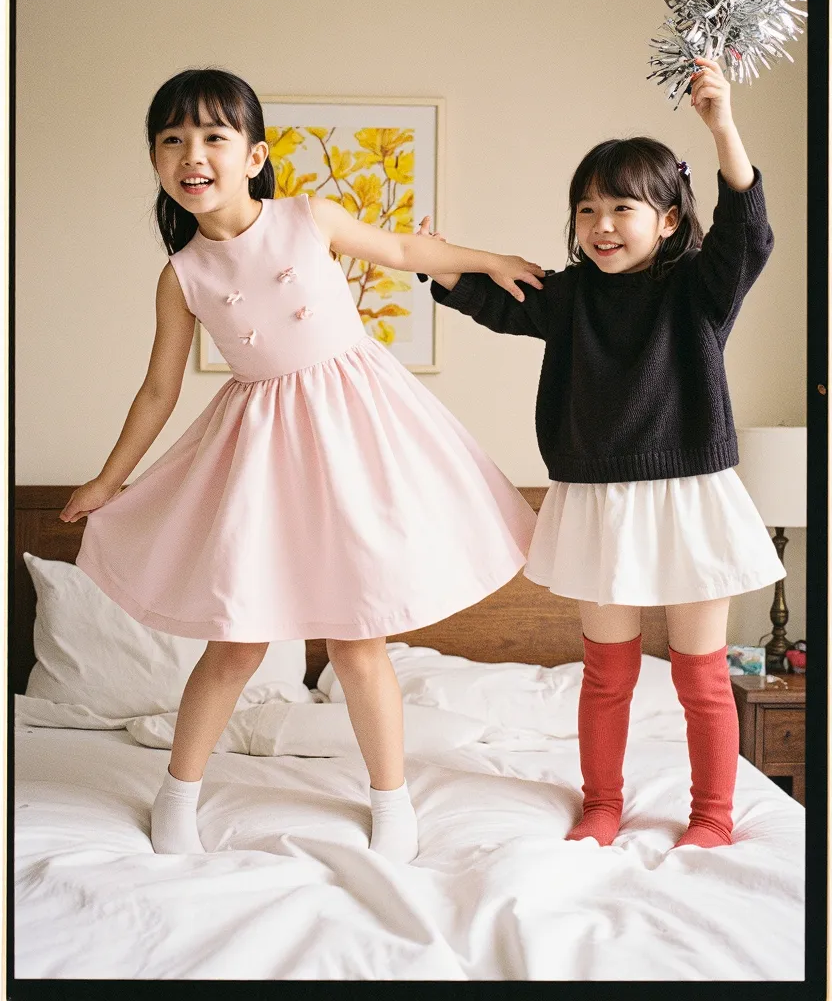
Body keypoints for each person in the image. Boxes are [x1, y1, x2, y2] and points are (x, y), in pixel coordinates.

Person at [61, 68, 542, 862]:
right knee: (239, 639)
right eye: (173, 139)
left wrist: (491, 259)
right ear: (156, 160)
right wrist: (109, 481)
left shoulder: (305, 217)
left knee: (359, 638)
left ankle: (392, 800)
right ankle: (178, 793)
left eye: (214, 136)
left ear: (252, 156)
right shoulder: (181, 276)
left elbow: (399, 247)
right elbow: (158, 388)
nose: (194, 153)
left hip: (358, 429)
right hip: (260, 450)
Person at [421, 57, 785, 849]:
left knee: (699, 674)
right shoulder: (571, 297)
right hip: (597, 498)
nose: (601, 224)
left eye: (622, 206)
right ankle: (603, 805)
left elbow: (747, 230)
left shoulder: (699, 287)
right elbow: (491, 299)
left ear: (667, 218)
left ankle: (714, 818)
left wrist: (721, 124)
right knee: (608, 674)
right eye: (587, 209)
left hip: (689, 493)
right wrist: (441, 263)